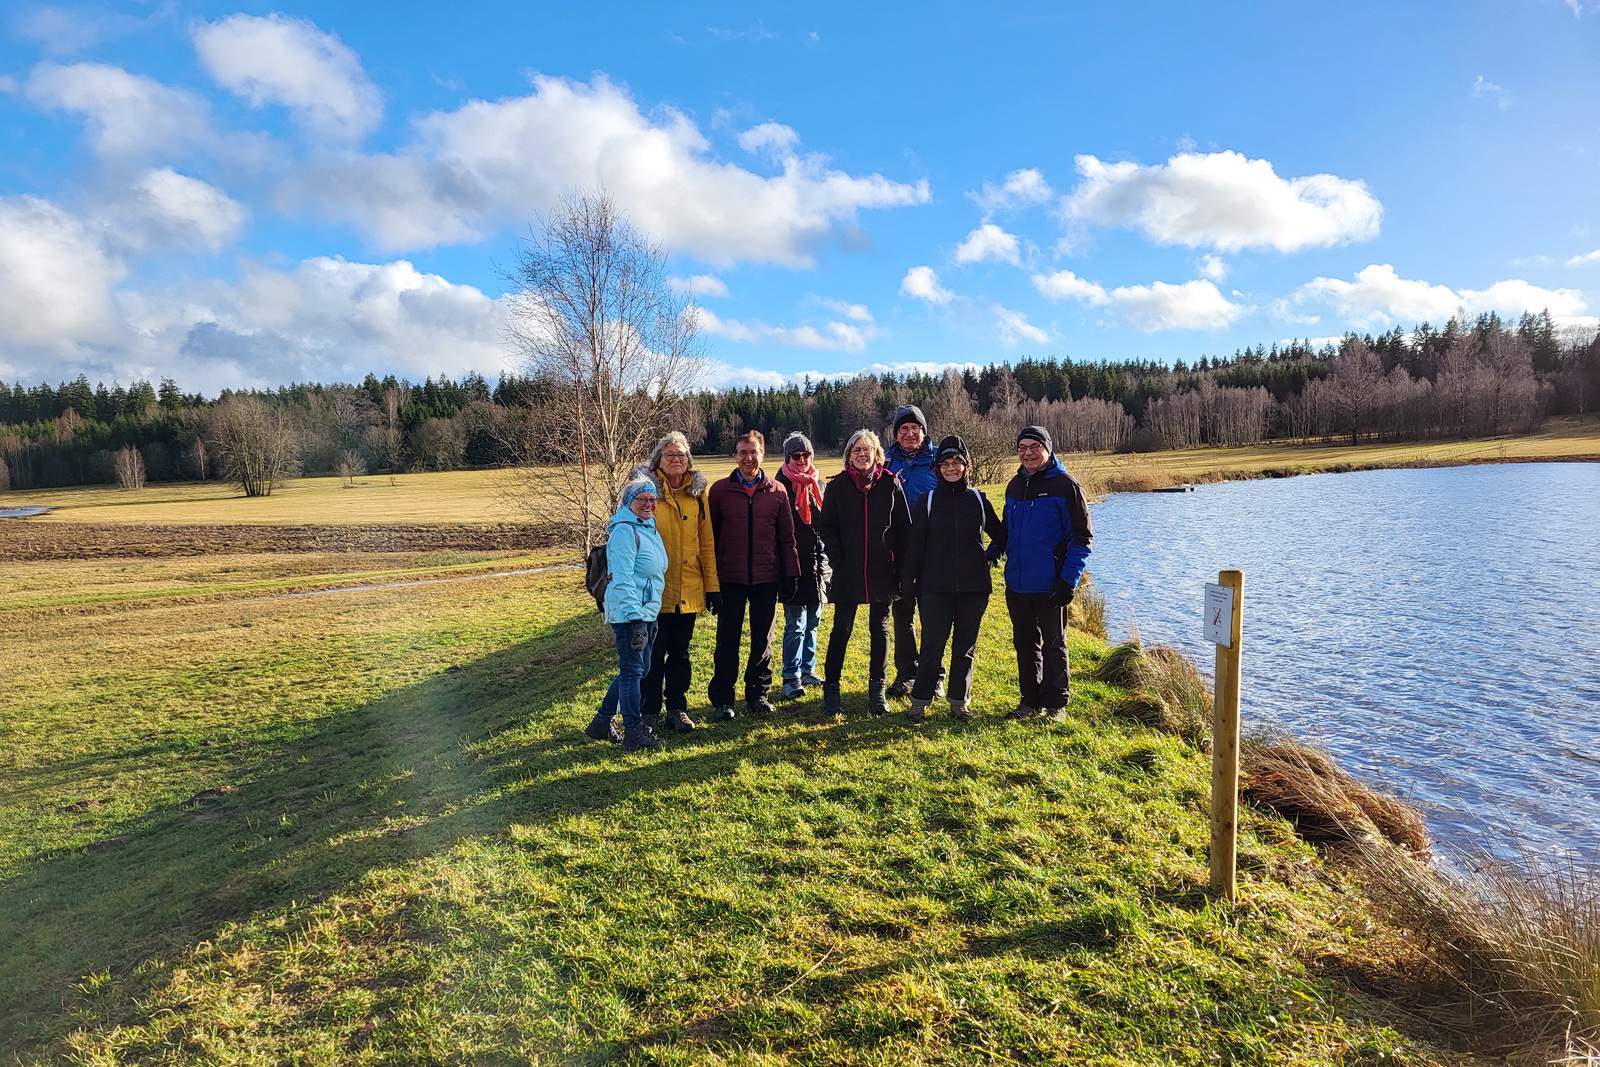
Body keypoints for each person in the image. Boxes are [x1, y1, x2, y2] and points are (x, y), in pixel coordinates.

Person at [900, 434, 1005, 724]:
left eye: (956, 463)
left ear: (967, 467)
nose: (951, 468)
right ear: (936, 469)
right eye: (945, 464)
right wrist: (909, 580)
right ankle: (920, 702)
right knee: (933, 646)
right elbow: (916, 545)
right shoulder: (928, 501)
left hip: (974, 588)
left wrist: (990, 559)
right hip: (934, 587)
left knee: (964, 647)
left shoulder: (979, 499)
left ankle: (959, 702)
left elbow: (1000, 536)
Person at [991, 425, 1093, 723]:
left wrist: (1068, 580)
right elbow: (1008, 531)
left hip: (1051, 583)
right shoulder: (1014, 485)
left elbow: (1082, 538)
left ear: (1047, 448)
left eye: (1034, 446)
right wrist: (992, 554)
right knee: (1024, 644)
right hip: (1018, 583)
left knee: (1053, 643)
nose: (1027, 453)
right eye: (1022, 447)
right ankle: (1029, 701)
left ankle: (1056, 704)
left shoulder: (1066, 486)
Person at [706, 430, 801, 719]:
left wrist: (791, 574)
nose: (749, 457)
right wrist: (711, 584)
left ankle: (757, 695)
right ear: (735, 456)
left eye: (754, 452)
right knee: (727, 641)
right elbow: (710, 538)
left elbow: (787, 537)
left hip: (766, 578)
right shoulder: (720, 491)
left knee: (763, 640)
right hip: (730, 579)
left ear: (763, 455)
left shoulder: (777, 491)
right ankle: (723, 699)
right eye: (743, 452)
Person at [817, 429, 911, 716]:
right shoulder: (838, 486)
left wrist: (902, 568)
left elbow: (904, 529)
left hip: (882, 570)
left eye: (866, 449)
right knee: (841, 629)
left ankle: (877, 689)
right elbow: (827, 527)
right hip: (848, 570)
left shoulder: (890, 484)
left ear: (876, 454)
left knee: (879, 629)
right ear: (849, 455)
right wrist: (839, 559)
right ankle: (832, 689)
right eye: (856, 450)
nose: (861, 454)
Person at [634, 432, 720, 733]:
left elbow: (706, 543)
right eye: (669, 455)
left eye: (681, 455)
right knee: (652, 655)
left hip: (689, 587)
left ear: (689, 461)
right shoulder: (644, 492)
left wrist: (713, 587)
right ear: (658, 459)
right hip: (652, 591)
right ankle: (649, 712)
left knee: (680, 655)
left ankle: (677, 709)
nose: (675, 460)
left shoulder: (697, 496)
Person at [584, 478, 670, 751]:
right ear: (628, 502)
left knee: (638, 669)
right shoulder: (624, 531)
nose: (648, 504)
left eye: (652, 499)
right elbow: (621, 578)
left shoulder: (649, 529)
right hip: (629, 613)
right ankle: (634, 733)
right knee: (633, 671)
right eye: (641, 499)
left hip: (646, 612)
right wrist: (635, 619)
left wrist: (648, 615)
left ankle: (602, 721)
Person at [884, 405, 938, 699]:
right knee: (902, 615)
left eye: (914, 428)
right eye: (903, 429)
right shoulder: (886, 460)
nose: (909, 433)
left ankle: (934, 675)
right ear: (896, 433)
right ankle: (906, 674)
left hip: (933, 550)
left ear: (923, 431)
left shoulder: (939, 458)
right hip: (899, 552)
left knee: (934, 617)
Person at [775, 432, 830, 700]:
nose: (801, 460)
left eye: (806, 455)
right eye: (796, 456)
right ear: (787, 457)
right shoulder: (779, 486)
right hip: (792, 566)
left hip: (818, 565)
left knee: (814, 622)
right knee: (795, 624)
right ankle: (791, 675)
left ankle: (808, 669)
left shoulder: (819, 485)